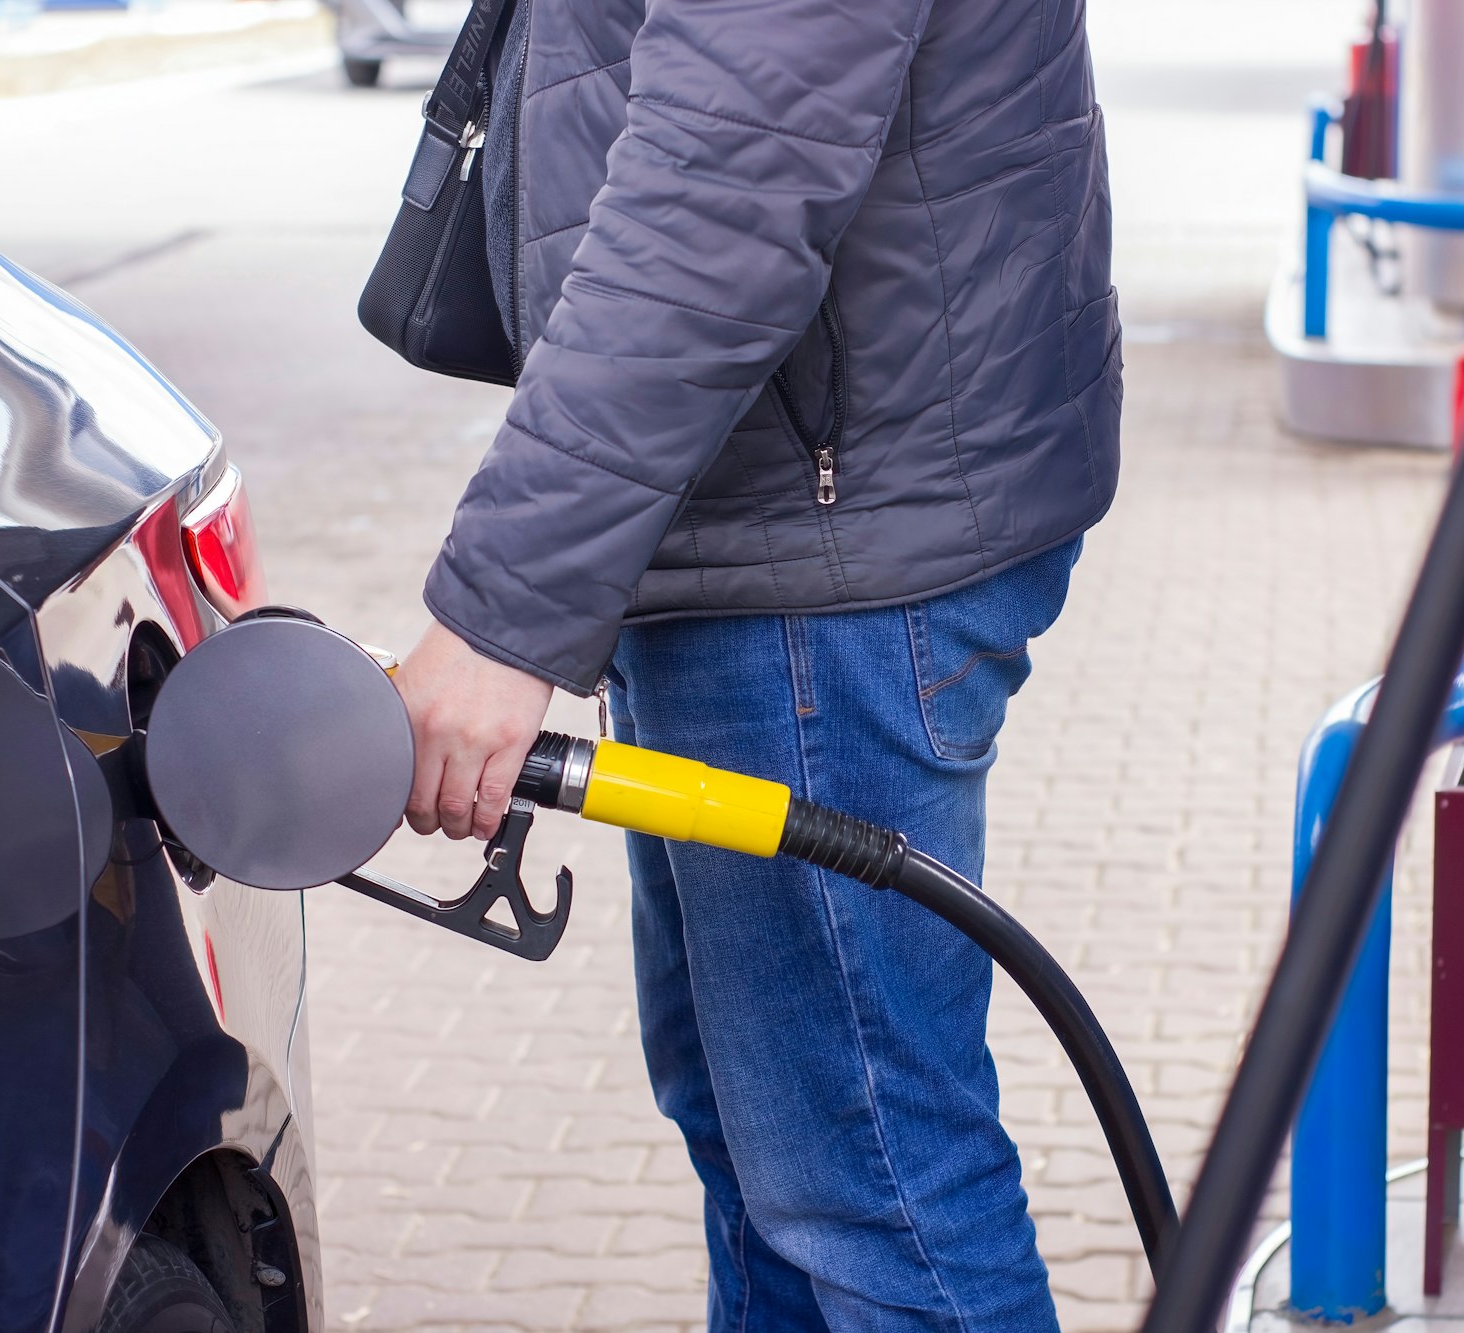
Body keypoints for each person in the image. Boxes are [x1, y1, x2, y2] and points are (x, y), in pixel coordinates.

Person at [394, 0, 1119, 1325]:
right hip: (772, 527)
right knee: (768, 1148)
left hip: (818, 553)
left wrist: (505, 613)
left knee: (869, 1184)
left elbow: (724, 189)